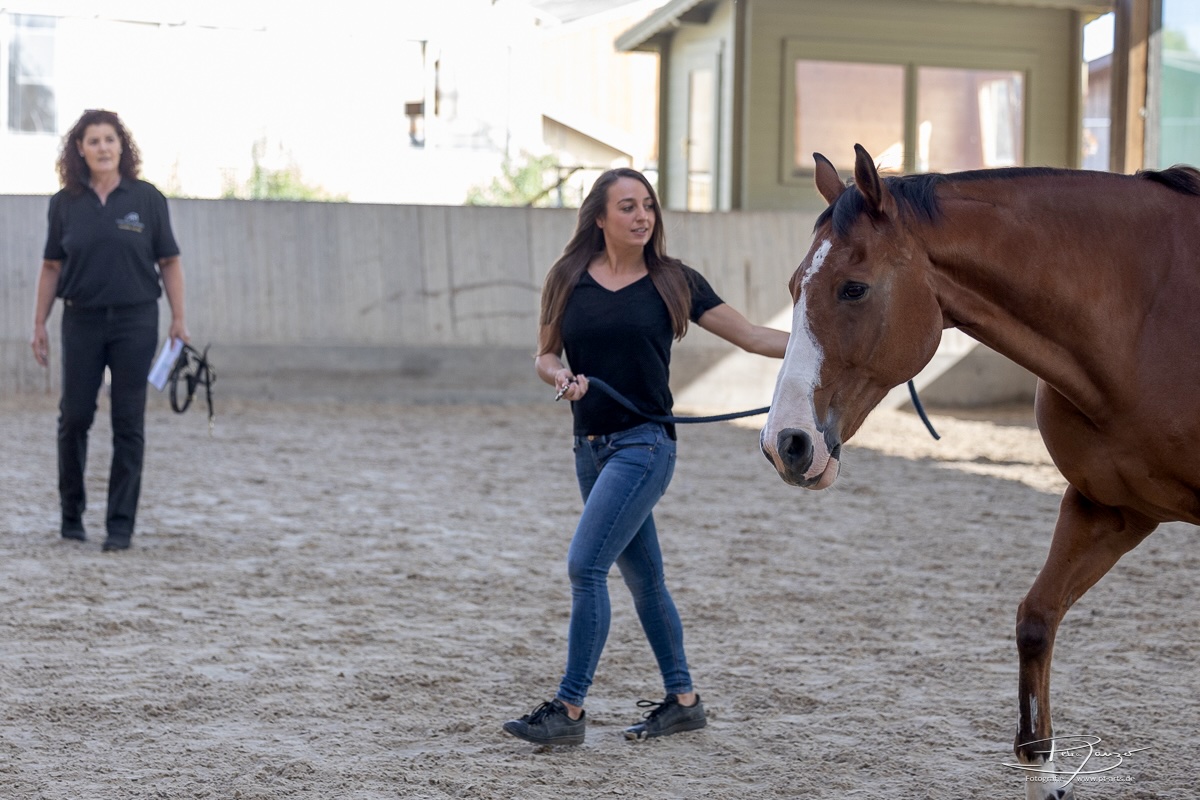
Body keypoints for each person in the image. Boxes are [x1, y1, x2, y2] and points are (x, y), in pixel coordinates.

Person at [503, 168, 789, 745]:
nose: (642, 216)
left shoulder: (674, 281)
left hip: (645, 445)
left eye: (649, 207)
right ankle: (683, 701)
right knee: (645, 580)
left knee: (586, 567)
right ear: (600, 217)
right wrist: (560, 376)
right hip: (589, 447)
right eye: (628, 206)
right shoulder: (567, 278)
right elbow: (544, 354)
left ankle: (569, 711)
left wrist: (842, 347)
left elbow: (757, 337)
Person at [30, 109, 188, 552]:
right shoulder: (64, 204)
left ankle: (120, 527)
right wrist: (39, 323)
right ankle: (71, 517)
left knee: (128, 422)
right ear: (79, 149)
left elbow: (170, 262)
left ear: (123, 147)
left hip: (136, 321)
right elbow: (50, 266)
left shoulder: (148, 199)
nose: (102, 147)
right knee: (75, 418)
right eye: (93, 140)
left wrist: (179, 319)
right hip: (81, 319)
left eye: (109, 139)